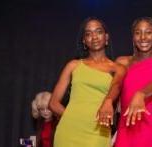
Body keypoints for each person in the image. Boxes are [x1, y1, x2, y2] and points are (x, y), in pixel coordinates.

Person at [49, 17, 125, 147]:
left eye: (98, 32)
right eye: (88, 34)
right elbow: (53, 103)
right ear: (84, 41)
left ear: (106, 38)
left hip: (98, 131)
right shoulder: (73, 65)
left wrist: (108, 102)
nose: (94, 37)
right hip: (69, 131)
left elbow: (117, 86)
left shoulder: (118, 68)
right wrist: (74, 117)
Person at [113, 17, 152, 147]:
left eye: (148, 32)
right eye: (138, 32)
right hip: (126, 129)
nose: (143, 37)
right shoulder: (122, 62)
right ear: (133, 37)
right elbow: (114, 88)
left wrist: (140, 94)